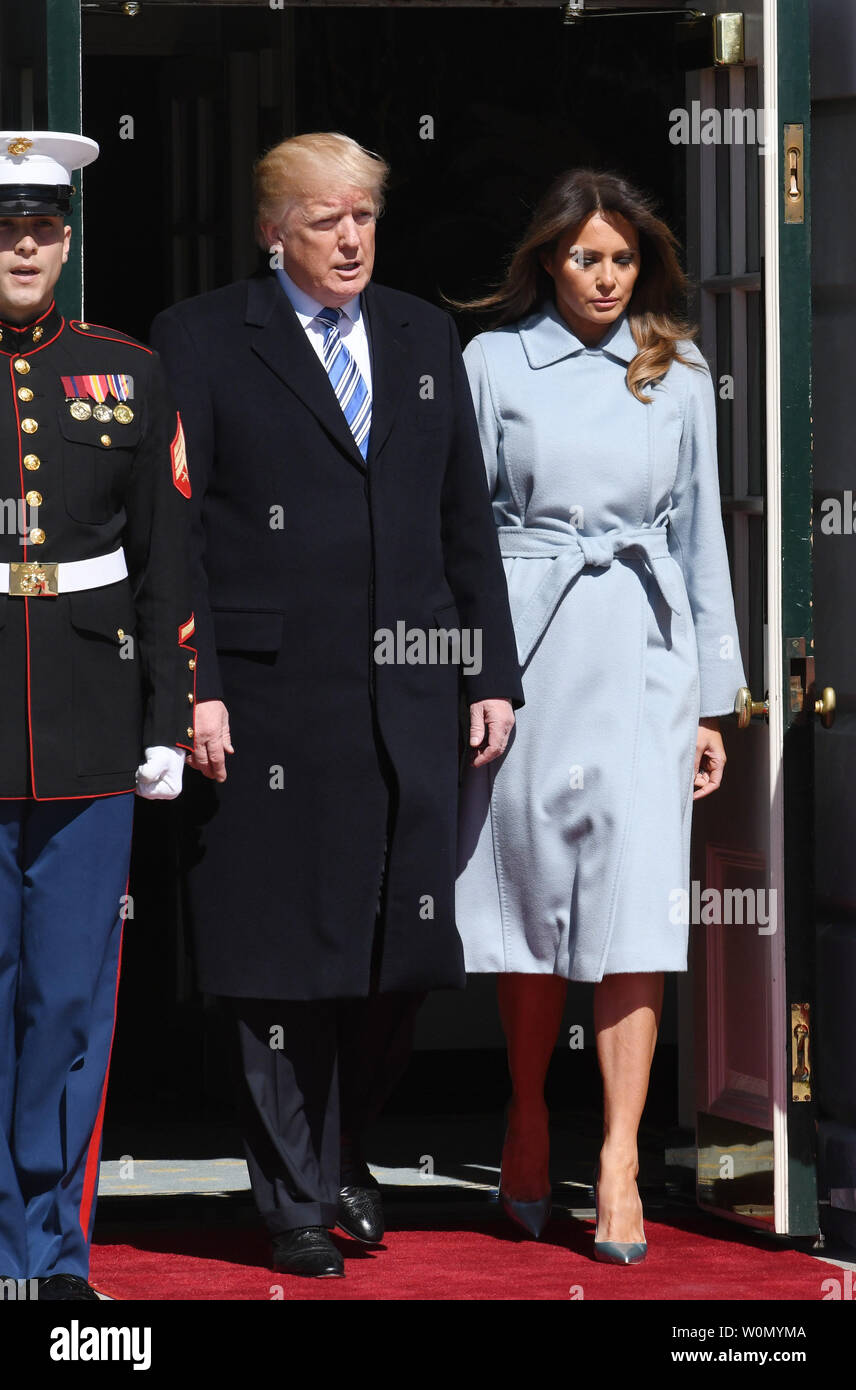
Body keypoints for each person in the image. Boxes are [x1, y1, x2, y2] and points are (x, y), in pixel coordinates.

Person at [149, 132, 523, 1280]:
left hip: (407, 695)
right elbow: (179, 535)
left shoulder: (420, 333)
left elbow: (465, 520)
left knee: (397, 956)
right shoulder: (202, 338)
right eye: (323, 220)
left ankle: (343, 1150)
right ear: (274, 231)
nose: (351, 237)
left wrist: (490, 670)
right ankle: (293, 1199)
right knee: (276, 961)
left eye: (362, 214)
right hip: (265, 705)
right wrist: (194, 684)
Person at [455, 168, 746, 1264]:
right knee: (531, 897)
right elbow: (464, 531)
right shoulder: (492, 362)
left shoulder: (675, 374)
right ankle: (527, 1113)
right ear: (547, 261)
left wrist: (713, 702)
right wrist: (474, 674)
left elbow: (699, 539)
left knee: (634, 911)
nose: (606, 277)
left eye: (622, 259)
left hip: (644, 657)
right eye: (586, 257)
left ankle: (618, 1152)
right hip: (532, 654)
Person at [0, 132, 195, 1301]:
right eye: (6, 225)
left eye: (43, 226)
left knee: (67, 998)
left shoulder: (126, 368)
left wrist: (166, 717)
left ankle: (50, 1255)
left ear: (66, 240)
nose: (24, 245)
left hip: (87, 729)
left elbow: (168, 561)